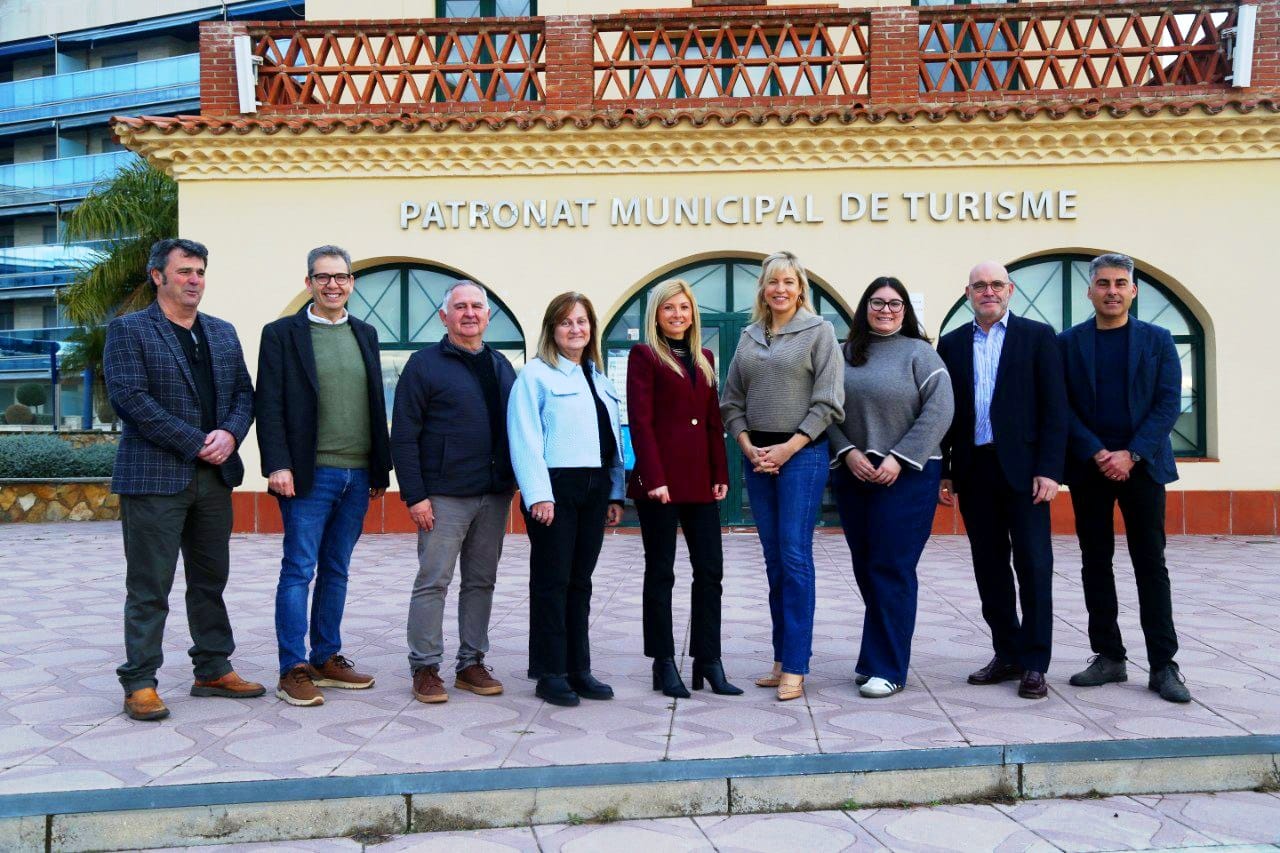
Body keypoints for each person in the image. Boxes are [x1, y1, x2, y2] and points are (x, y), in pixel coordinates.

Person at [105, 238, 263, 721]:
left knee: (210, 579)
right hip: (154, 478)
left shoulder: (221, 331)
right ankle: (140, 681)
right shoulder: (129, 331)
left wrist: (230, 435)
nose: (194, 280)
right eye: (184, 272)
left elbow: (243, 393)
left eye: (200, 272)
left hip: (214, 477)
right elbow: (130, 399)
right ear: (158, 276)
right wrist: (195, 440)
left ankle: (213, 668)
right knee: (150, 584)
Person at [255, 245, 392, 707]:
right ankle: (292, 667)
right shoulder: (281, 334)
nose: (333, 284)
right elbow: (269, 403)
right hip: (309, 476)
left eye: (341, 277)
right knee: (298, 570)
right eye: (323, 277)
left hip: (358, 475)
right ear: (308, 282)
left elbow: (376, 404)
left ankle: (326, 657)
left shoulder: (366, 333)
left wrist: (379, 468)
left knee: (337, 570)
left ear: (352, 282)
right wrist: (277, 464)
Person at [1059, 253, 1191, 703]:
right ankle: (1109, 657)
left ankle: (1163, 665)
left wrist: (1131, 454)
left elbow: (1168, 403)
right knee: (1095, 562)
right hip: (1090, 469)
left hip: (1144, 466)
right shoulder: (1069, 343)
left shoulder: (1157, 340)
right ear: (1089, 291)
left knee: (1150, 564)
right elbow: (1065, 409)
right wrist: (1099, 452)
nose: (1112, 290)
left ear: (1133, 290)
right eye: (1103, 283)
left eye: (1120, 283)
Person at [937, 260, 1067, 700]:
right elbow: (947, 415)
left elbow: (1055, 409)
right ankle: (1006, 653)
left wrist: (1051, 469)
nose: (988, 291)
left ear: (1010, 289)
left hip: (1028, 473)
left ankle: (1034, 663)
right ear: (968, 292)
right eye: (979, 285)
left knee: (1033, 566)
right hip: (976, 473)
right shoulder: (952, 343)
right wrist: (947, 470)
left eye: (996, 284)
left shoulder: (1038, 337)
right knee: (989, 569)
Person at [720, 251, 844, 702]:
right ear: (763, 289)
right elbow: (731, 400)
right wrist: (748, 445)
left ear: (800, 289)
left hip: (803, 454)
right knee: (773, 560)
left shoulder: (820, 331)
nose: (780, 290)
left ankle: (797, 664)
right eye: (773, 282)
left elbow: (829, 400)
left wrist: (789, 447)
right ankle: (779, 658)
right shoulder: (749, 337)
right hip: (758, 458)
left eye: (789, 282)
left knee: (794, 556)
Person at [827, 278, 954, 699]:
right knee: (866, 567)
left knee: (891, 568)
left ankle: (889, 667)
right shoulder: (843, 355)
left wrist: (899, 458)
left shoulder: (921, 354)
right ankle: (874, 658)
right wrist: (846, 451)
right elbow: (825, 408)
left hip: (908, 477)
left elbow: (940, 412)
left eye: (894, 303)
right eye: (878, 302)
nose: (886, 310)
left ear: (905, 309)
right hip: (855, 473)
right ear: (865, 307)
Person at [392, 280, 517, 704]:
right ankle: (425, 666)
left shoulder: (501, 365)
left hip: (494, 496)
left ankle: (471, 663)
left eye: (477, 306)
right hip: (443, 496)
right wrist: (415, 495)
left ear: (487, 316)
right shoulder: (423, 365)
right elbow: (404, 435)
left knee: (481, 582)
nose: (469, 313)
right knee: (434, 581)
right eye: (459, 307)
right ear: (444, 317)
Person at [507, 292, 625, 707]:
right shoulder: (536, 376)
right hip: (554, 490)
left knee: (580, 582)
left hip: (594, 489)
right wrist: (539, 494)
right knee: (551, 582)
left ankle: (579, 668)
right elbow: (525, 439)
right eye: (566, 322)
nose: (576, 329)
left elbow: (611, 443)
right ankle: (550, 671)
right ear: (552, 330)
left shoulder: (599, 378)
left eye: (582, 321)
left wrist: (615, 493)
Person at [627, 278, 741, 699]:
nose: (677, 315)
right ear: (656, 315)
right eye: (668, 308)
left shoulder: (704, 358)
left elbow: (713, 422)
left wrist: (721, 473)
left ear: (693, 314)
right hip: (661, 485)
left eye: (684, 308)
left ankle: (708, 660)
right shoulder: (644, 356)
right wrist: (654, 478)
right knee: (661, 573)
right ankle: (663, 662)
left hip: (699, 483)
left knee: (710, 570)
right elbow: (641, 421)